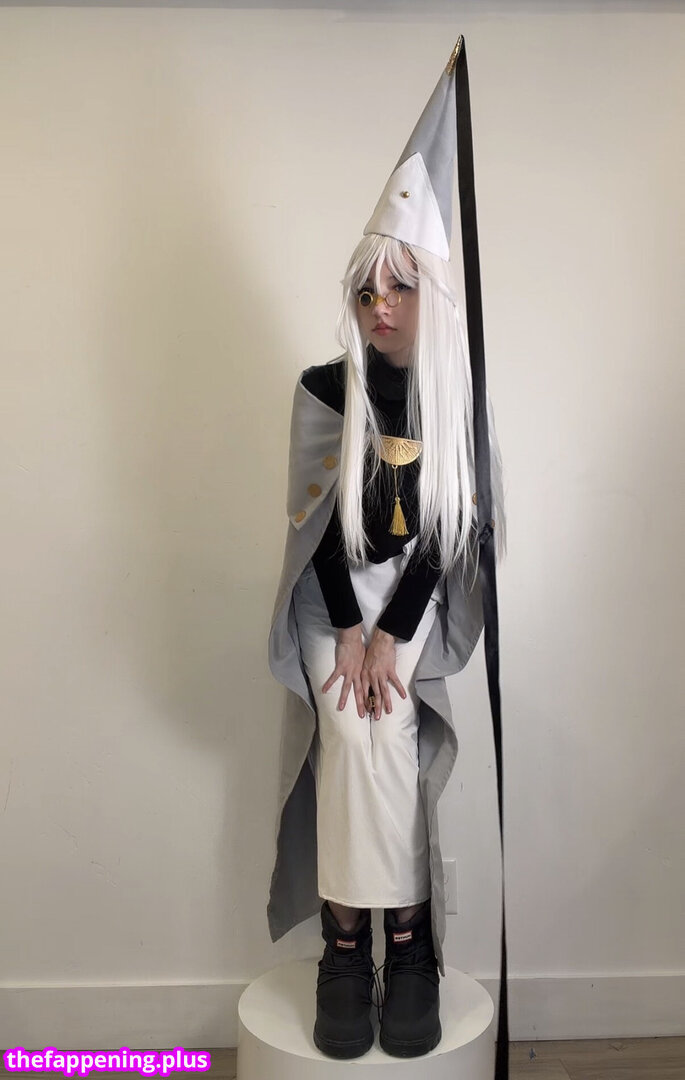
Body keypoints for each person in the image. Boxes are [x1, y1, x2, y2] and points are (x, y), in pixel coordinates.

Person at [266, 37, 506, 1064]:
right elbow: (313, 531)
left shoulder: (455, 403)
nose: (381, 308)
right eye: (367, 291)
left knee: (387, 721)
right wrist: (351, 633)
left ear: (431, 295)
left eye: (400, 288)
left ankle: (406, 944)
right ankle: (343, 946)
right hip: (332, 601)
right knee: (347, 723)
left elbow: (446, 538)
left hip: (410, 598)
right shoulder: (325, 390)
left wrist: (390, 637)